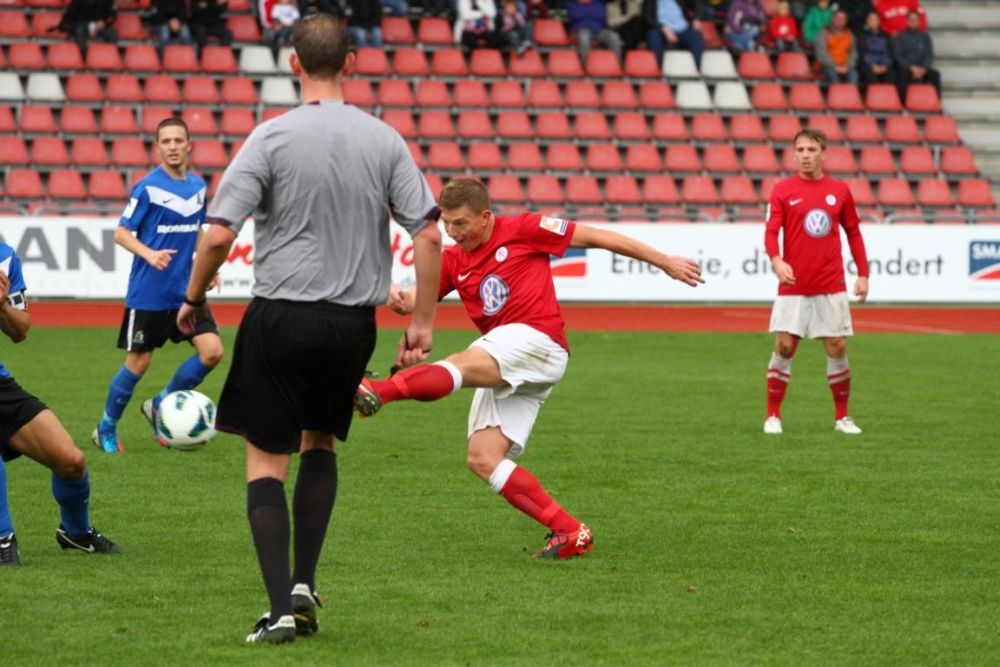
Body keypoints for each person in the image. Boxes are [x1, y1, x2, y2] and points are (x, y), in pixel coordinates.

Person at [175, 13, 442, 644]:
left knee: (266, 462)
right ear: (351, 63)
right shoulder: (385, 140)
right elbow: (429, 234)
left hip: (281, 317)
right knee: (320, 444)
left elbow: (217, 236)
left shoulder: (269, 138)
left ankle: (278, 612)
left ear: (293, 64)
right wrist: (423, 323)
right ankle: (304, 585)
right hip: (351, 324)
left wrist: (193, 298)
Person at [353, 177, 704, 560]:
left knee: (460, 363)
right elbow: (410, 301)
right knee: (483, 458)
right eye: (447, 223)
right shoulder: (453, 260)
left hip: (538, 341)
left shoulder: (524, 228)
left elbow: (598, 237)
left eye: (461, 223)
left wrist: (665, 262)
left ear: (486, 217)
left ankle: (379, 391)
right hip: (510, 358)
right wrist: (390, 293)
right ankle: (569, 531)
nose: (452, 232)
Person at [93, 117, 224, 454]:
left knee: (212, 352)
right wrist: (149, 254)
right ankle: (105, 428)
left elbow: (198, 230)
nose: (172, 147)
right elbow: (121, 232)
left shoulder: (198, 187)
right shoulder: (147, 187)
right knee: (138, 363)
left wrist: (208, 266)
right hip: (149, 293)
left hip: (187, 293)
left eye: (178, 140)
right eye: (166, 141)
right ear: (157, 147)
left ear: (189, 145)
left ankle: (161, 404)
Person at [0, 243, 123, 567]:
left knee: (71, 462)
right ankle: (3, 538)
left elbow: (20, 330)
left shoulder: (5, 257)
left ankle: (76, 532)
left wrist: (2, 305)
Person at [763, 128, 870, 436]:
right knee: (784, 347)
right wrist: (777, 260)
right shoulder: (782, 190)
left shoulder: (840, 190)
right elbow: (771, 232)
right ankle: (773, 416)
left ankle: (842, 418)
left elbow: (853, 233)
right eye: (800, 150)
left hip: (830, 282)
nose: (805, 155)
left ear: (823, 154)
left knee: (837, 347)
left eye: (811, 150)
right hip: (794, 283)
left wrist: (863, 274)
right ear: (794, 154)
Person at [892, 9, 940, 98]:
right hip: (907, 68)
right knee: (901, 74)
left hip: (922, 68)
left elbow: (929, 55)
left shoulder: (925, 37)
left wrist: (924, 68)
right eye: (911, 19)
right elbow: (898, 56)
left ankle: (936, 101)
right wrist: (911, 68)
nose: (913, 22)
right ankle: (904, 102)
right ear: (907, 21)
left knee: (935, 75)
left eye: (915, 20)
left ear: (918, 21)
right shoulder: (900, 36)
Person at [643, 0, 705, 69]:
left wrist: (697, 18)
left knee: (696, 36)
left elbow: (698, 3)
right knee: (653, 36)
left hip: (682, 29)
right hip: (661, 30)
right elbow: (647, 18)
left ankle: (697, 68)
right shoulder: (650, 2)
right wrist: (663, 28)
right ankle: (658, 69)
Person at [567, 0, 624, 64]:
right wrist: (590, 13)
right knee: (584, 37)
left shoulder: (598, 4)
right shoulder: (573, 5)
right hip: (582, 29)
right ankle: (585, 65)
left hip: (599, 30)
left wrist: (585, 14)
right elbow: (575, 16)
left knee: (614, 36)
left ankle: (618, 64)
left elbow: (601, 15)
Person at [815, 10, 859, 85]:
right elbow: (821, 53)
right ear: (832, 19)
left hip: (845, 66)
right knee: (833, 77)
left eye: (843, 19)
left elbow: (853, 52)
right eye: (838, 18)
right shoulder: (823, 33)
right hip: (827, 65)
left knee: (854, 74)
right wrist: (834, 66)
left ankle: (851, 93)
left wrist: (848, 66)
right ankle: (837, 92)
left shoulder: (850, 35)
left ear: (846, 22)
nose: (840, 21)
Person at [857, 10, 896, 88]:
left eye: (875, 19)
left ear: (879, 21)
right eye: (871, 19)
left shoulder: (886, 36)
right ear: (867, 21)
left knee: (892, 74)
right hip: (869, 64)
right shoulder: (862, 36)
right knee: (869, 74)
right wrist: (873, 65)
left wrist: (884, 65)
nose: (873, 22)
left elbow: (889, 53)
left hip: (884, 63)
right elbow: (863, 54)